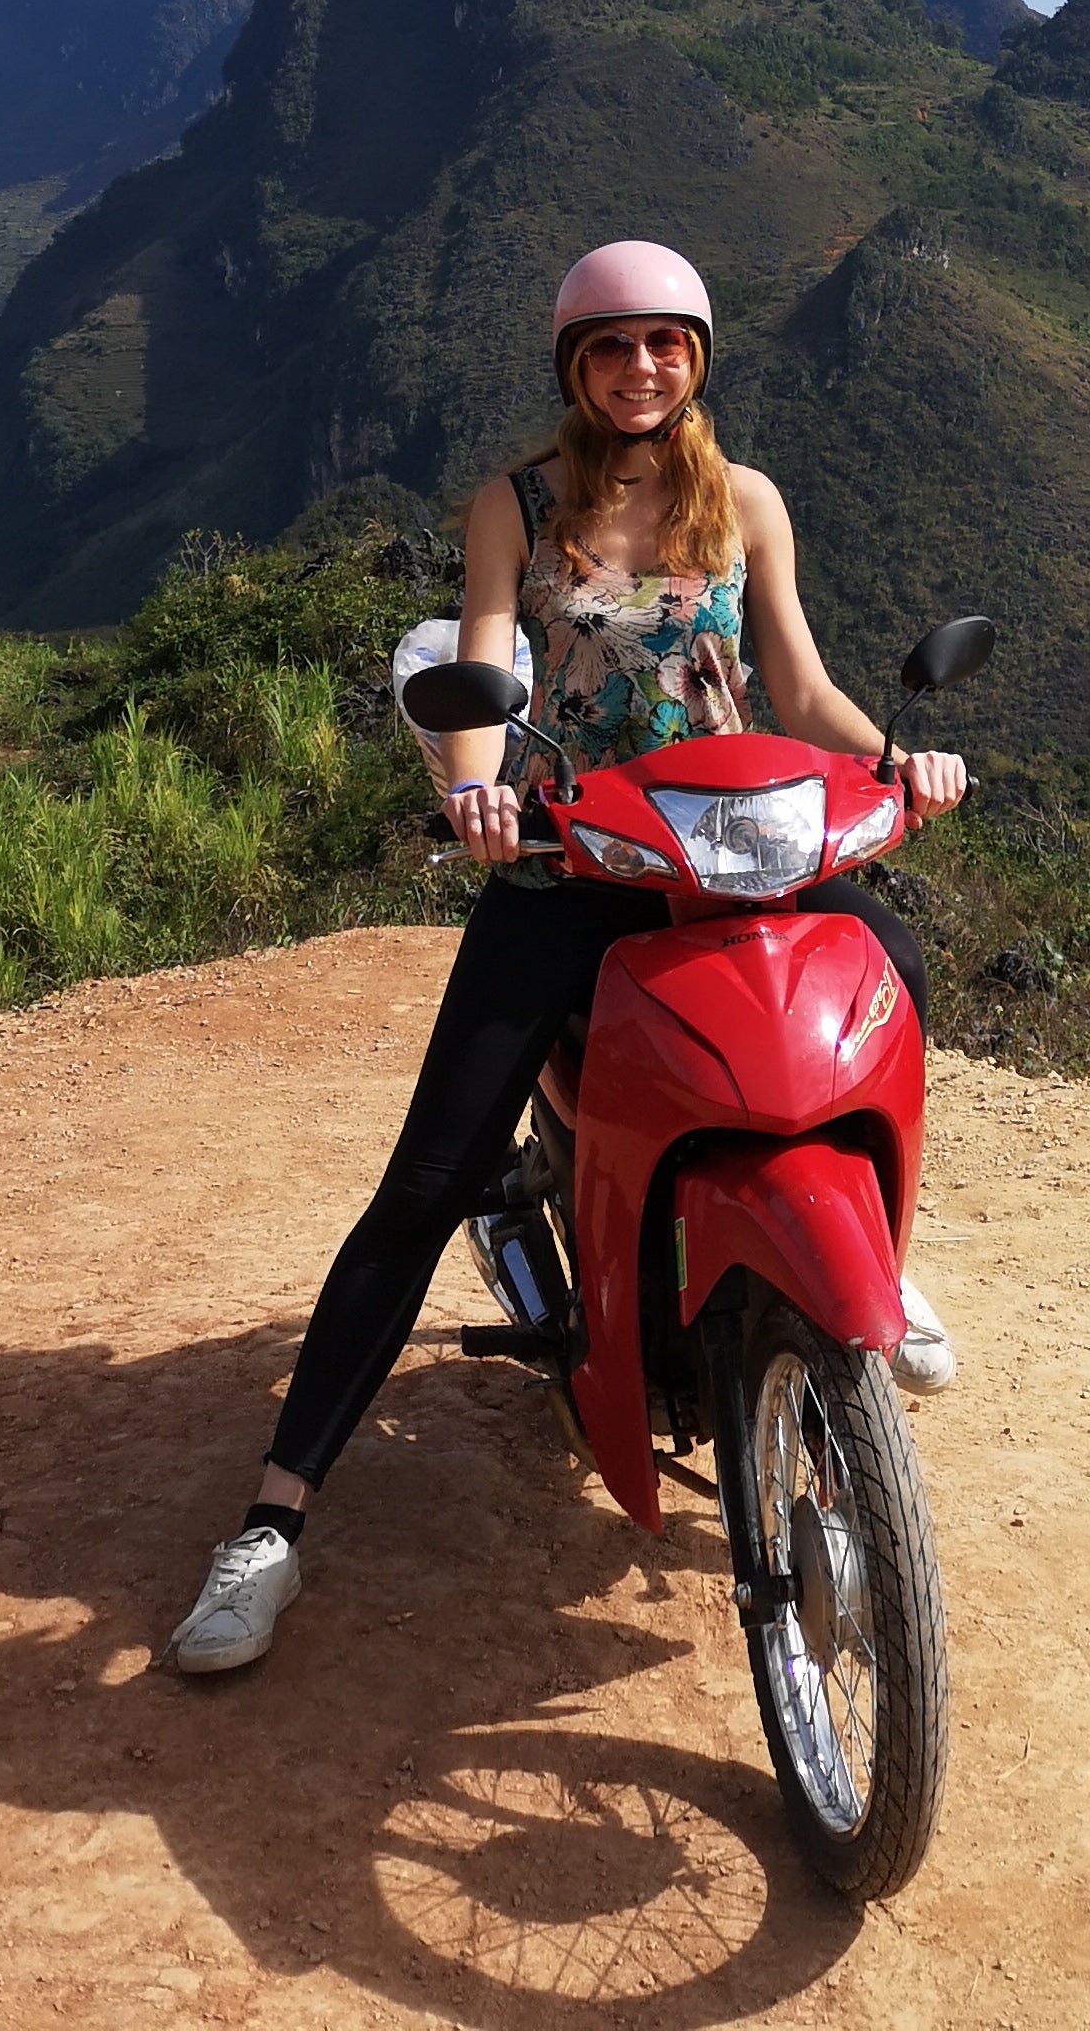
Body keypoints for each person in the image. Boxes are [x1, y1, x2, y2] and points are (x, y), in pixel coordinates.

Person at [167, 238, 967, 1675]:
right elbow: (485, 652)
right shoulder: (516, 505)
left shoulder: (749, 502)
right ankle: (274, 1522)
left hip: (746, 847)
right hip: (581, 852)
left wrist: (900, 763)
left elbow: (796, 681)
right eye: (611, 349)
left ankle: (872, 1271)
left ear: (698, 358)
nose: (640, 370)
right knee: (428, 1177)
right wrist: (476, 783)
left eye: (666, 345)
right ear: (571, 367)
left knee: (892, 989)